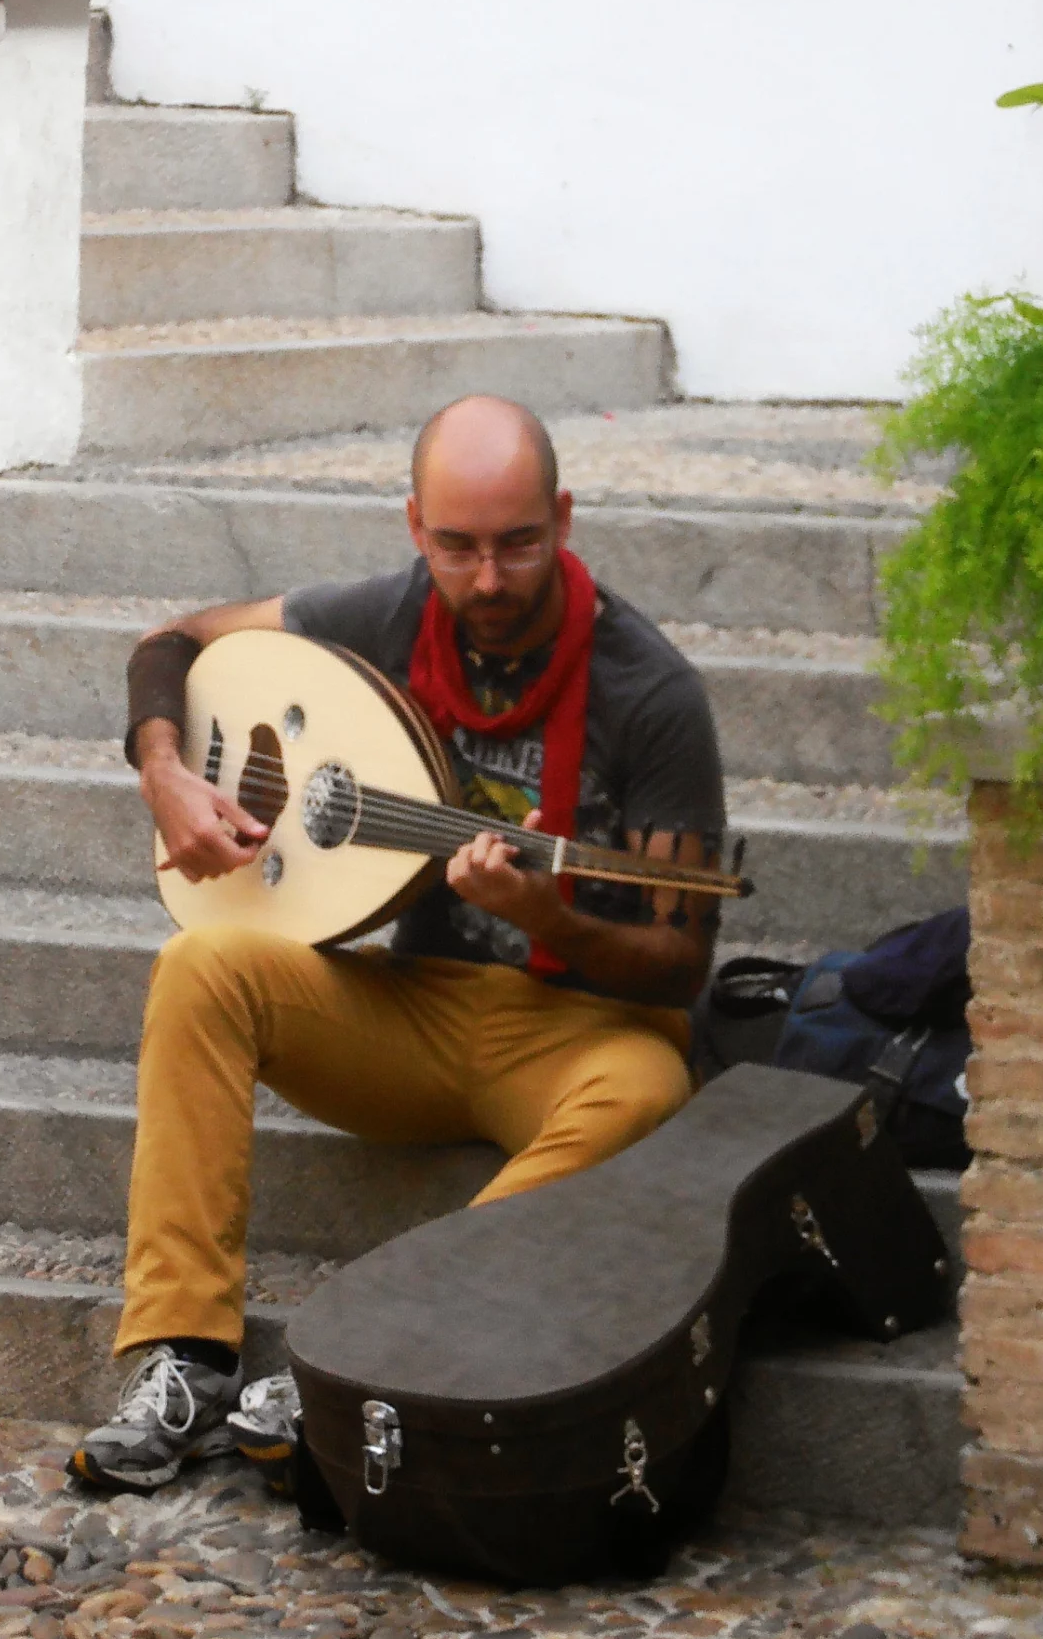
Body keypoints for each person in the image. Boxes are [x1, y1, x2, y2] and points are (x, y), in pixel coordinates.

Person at [70, 394, 727, 1494]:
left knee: (651, 1092)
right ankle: (183, 1357)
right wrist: (165, 770)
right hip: (412, 1006)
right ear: (415, 527)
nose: (486, 579)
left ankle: (359, 1349)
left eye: (518, 543)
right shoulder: (385, 616)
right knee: (200, 966)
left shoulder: (651, 693)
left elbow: (682, 961)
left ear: (562, 519)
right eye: (458, 546)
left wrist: (549, 916)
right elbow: (172, 642)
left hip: (582, 1029)